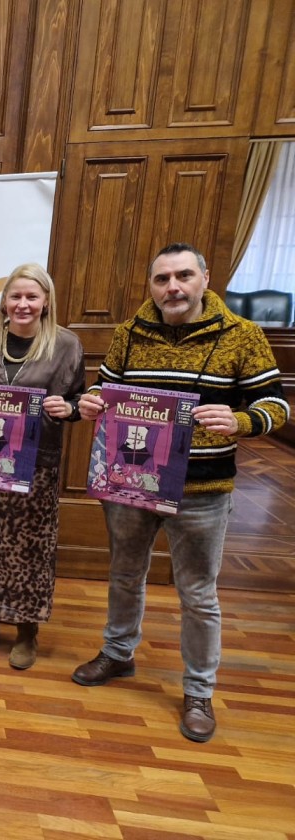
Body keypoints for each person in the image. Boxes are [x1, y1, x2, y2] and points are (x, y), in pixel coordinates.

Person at [72, 243, 289, 743]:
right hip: (131, 482)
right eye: (162, 278)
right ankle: (118, 654)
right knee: (125, 575)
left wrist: (241, 419)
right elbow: (108, 390)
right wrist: (92, 403)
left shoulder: (242, 336)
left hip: (202, 489)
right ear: (151, 286)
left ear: (204, 279)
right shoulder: (129, 333)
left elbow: (275, 403)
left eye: (183, 276)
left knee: (198, 595)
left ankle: (198, 689)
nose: (173, 286)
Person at [0, 263, 85, 670]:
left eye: (32, 297)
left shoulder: (66, 344)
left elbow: (78, 403)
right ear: (5, 301)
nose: (23, 304)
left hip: (36, 463)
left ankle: (28, 632)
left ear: (46, 302)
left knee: (31, 548)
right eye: (16, 296)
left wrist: (69, 409)